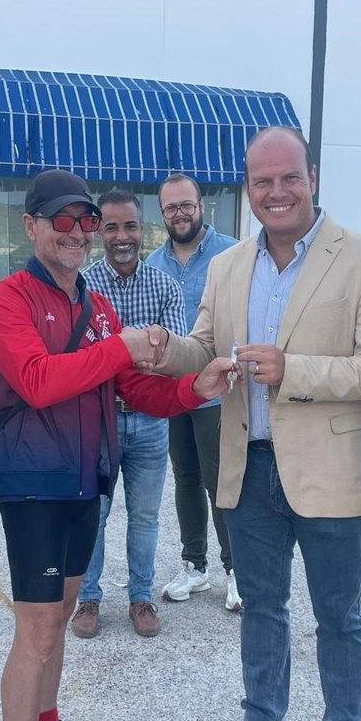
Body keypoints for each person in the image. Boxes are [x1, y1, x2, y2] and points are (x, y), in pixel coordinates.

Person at [148, 126, 361, 721]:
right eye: (262, 181)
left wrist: (294, 371)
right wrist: (166, 350)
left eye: (289, 177)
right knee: (262, 608)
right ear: (248, 188)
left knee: (340, 617)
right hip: (248, 465)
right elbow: (205, 345)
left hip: (329, 471)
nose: (277, 191)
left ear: (312, 177)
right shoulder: (228, 264)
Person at [0, 169, 232, 721]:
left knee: (59, 616)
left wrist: (196, 388)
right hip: (34, 484)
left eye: (86, 220)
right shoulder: (5, 301)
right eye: (62, 220)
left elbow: (135, 392)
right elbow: (37, 381)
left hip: (86, 480)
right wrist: (119, 346)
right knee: (36, 629)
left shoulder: (96, 308)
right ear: (31, 226)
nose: (79, 232)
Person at [69, 190, 186, 639]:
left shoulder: (165, 287)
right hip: (96, 422)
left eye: (131, 226)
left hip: (151, 422)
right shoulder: (81, 287)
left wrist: (113, 354)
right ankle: (89, 598)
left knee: (145, 517)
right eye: (112, 226)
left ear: (143, 229)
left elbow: (172, 357)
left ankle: (141, 597)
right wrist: (137, 349)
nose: (122, 236)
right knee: (92, 514)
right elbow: (78, 359)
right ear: (99, 231)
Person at [146, 174, 241, 611]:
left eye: (187, 205)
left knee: (219, 479)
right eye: (171, 208)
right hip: (173, 392)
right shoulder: (153, 265)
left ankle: (236, 570)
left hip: (217, 391)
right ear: (162, 214)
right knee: (185, 477)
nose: (179, 213)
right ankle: (195, 566)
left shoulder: (233, 254)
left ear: (202, 206)